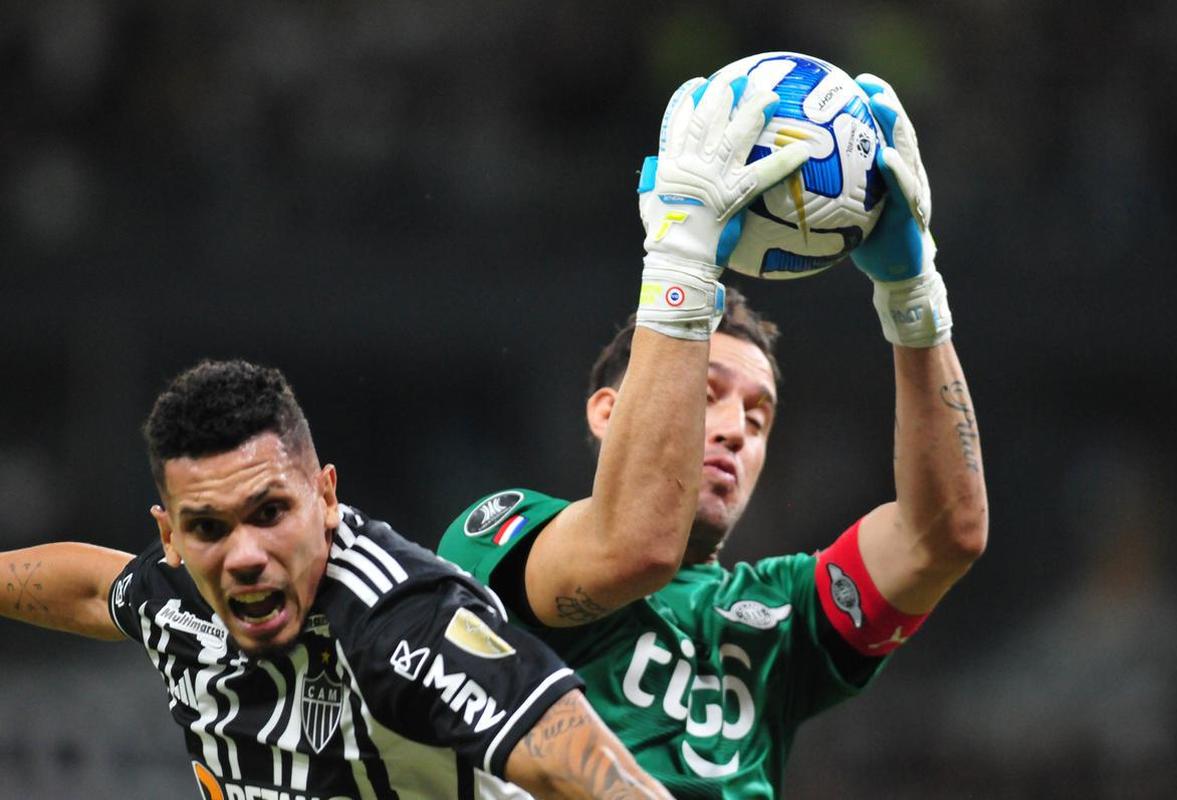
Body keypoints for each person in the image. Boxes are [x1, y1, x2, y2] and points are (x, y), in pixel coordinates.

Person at [438, 70, 989, 798]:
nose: (734, 429)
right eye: (707, 397)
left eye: (757, 417)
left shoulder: (779, 618)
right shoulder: (502, 533)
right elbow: (634, 546)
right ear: (607, 411)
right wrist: (679, 264)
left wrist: (914, 299)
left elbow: (943, 535)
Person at [1, 358, 680, 800]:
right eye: (208, 527)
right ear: (171, 536)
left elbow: (595, 774)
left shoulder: (401, 623)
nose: (243, 553)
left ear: (326, 499)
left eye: (270, 513)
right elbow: (95, 588)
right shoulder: (178, 588)